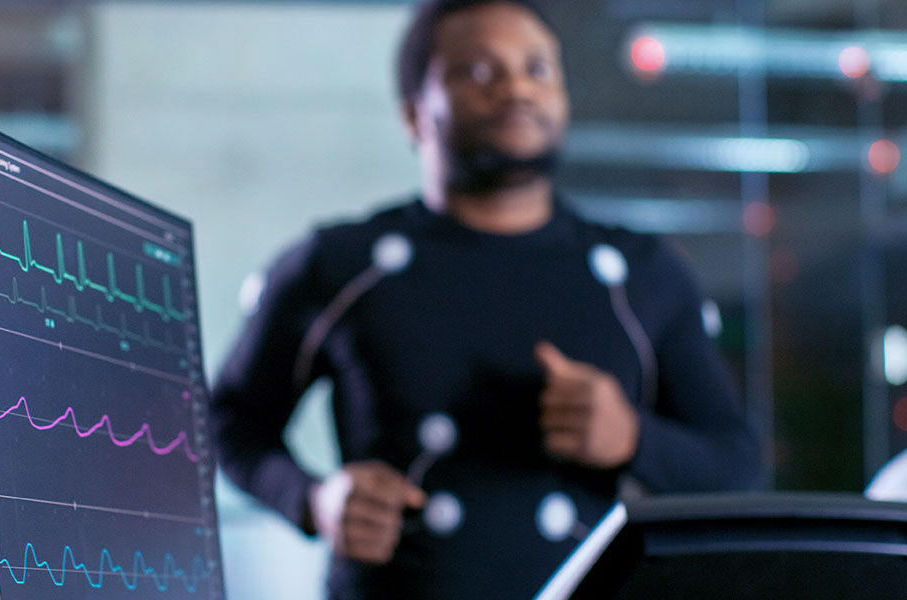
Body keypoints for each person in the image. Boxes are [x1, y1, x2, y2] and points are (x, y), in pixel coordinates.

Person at [211, 0, 764, 597]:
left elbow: (737, 462)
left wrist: (633, 438)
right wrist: (315, 499)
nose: (516, 88)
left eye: (538, 69)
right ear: (413, 115)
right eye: (478, 71)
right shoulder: (337, 263)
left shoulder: (643, 273)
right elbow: (228, 422)